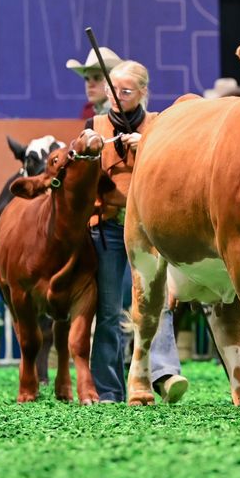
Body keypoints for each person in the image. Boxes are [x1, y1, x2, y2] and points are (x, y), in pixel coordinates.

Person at [85, 60, 188, 404]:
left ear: (144, 92)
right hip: (111, 229)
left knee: (156, 302)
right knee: (110, 310)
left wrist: (147, 144)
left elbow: (177, 167)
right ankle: (109, 390)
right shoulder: (95, 125)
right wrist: (87, 151)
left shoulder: (161, 125)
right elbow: (82, 181)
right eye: (113, 91)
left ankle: (164, 374)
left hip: (149, 230)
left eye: (126, 91)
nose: (117, 98)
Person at [66, 46, 122, 119]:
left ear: (115, 81)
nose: (90, 84)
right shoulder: (88, 111)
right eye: (87, 79)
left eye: (97, 78)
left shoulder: (130, 113)